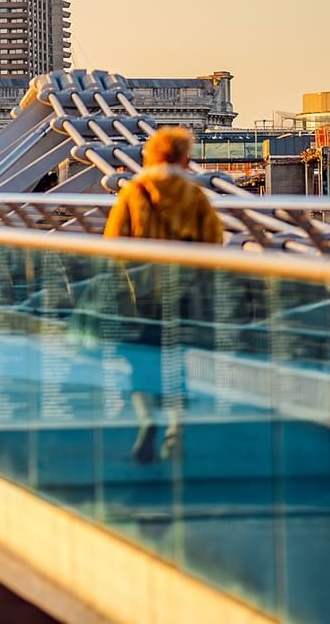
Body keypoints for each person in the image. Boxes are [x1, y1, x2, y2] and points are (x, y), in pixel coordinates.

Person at [102, 126, 223, 464]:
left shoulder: (133, 192)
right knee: (176, 364)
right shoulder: (194, 195)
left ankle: (146, 420)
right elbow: (213, 243)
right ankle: (174, 432)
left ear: (150, 155)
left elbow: (114, 242)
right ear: (185, 159)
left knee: (141, 363)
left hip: (139, 297)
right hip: (182, 294)